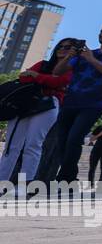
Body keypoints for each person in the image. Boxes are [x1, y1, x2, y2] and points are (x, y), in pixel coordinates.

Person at [34, 22, 102, 184]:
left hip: (93, 104)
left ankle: (65, 178)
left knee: (74, 139)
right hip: (70, 102)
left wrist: (91, 59)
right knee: (62, 140)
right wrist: (70, 56)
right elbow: (57, 72)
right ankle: (70, 177)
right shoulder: (83, 54)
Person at [0, 38, 77, 189]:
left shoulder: (73, 68)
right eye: (60, 46)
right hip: (24, 104)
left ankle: (23, 187)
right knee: (11, 146)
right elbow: (23, 77)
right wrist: (47, 79)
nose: (62, 49)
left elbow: (59, 82)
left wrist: (36, 76)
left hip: (47, 105)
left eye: (68, 47)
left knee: (33, 145)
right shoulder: (43, 64)